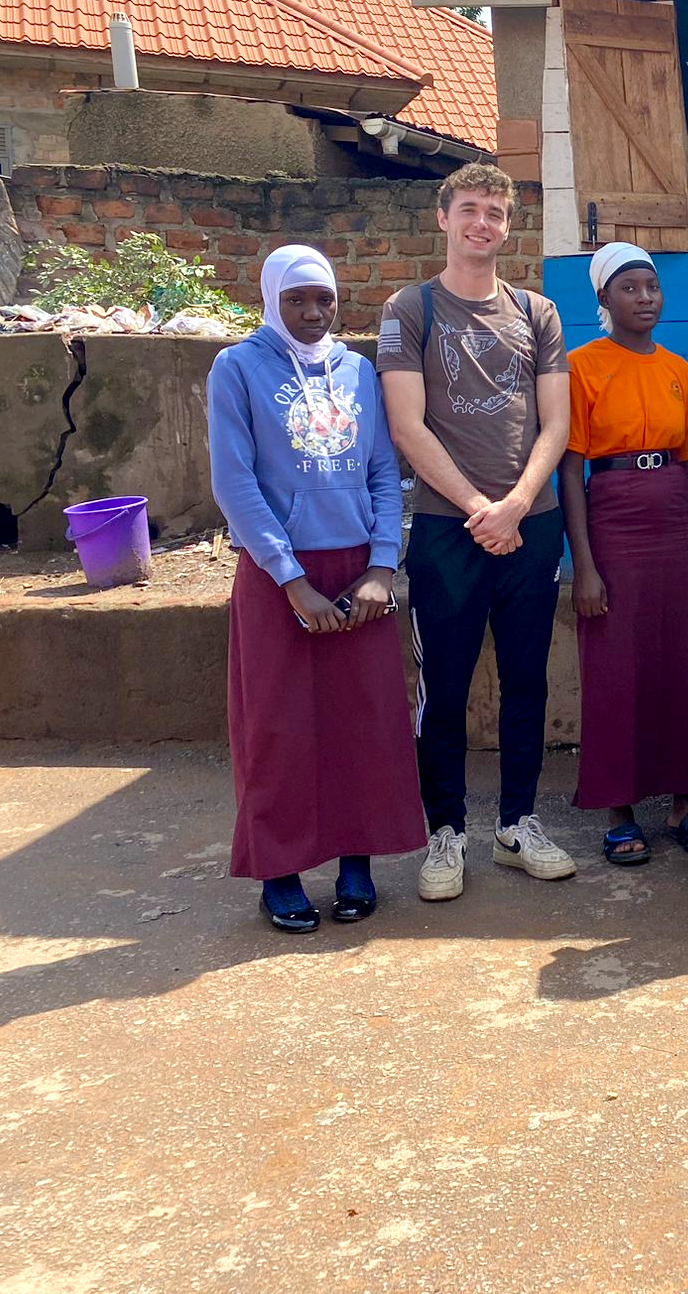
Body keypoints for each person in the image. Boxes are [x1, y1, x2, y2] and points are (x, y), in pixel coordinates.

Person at [209, 246, 426, 931]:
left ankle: (355, 861)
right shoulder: (237, 369)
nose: (311, 312)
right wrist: (292, 581)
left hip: (359, 573)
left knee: (363, 724)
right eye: (297, 299)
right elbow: (235, 482)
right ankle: (280, 871)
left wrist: (382, 567)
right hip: (281, 577)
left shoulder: (359, 372)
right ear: (272, 298)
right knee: (277, 727)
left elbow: (384, 475)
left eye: (323, 300)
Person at [378, 164, 576, 900]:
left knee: (528, 678)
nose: (482, 224)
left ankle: (518, 824)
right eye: (469, 210)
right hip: (445, 530)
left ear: (508, 225)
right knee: (446, 685)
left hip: (531, 527)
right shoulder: (410, 309)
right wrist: (478, 509)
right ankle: (447, 832)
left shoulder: (537, 312)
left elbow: (555, 423)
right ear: (443, 218)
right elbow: (407, 424)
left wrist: (518, 504)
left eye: (495, 212)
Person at [558, 243, 688, 866]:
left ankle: (685, 801)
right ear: (603, 299)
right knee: (617, 665)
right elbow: (571, 472)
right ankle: (619, 807)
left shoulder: (681, 370)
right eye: (629, 288)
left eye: (652, 287)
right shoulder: (581, 367)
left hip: (678, 521)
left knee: (683, 658)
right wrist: (584, 565)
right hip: (615, 518)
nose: (645, 298)